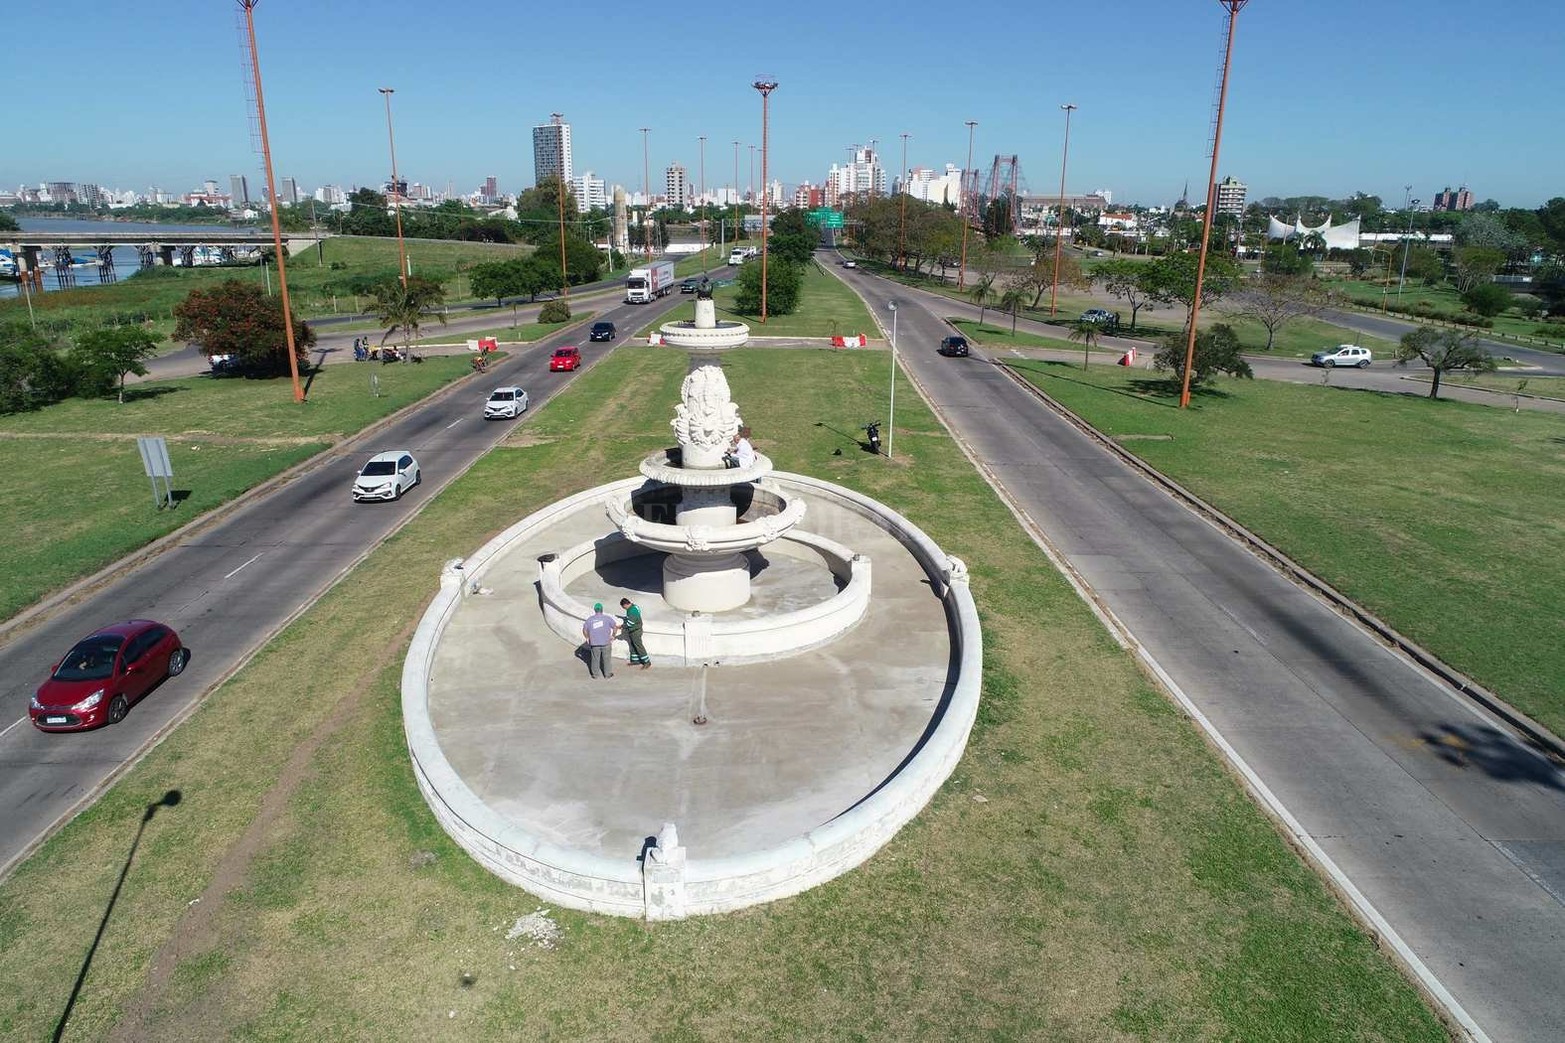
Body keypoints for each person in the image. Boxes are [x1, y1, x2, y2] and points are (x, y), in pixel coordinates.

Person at [581, 602, 619, 679]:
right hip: (606, 642)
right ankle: (607, 674)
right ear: (602, 610)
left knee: (595, 659)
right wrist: (613, 636)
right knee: (607, 659)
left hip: (594, 643)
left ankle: (595, 675)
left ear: (594, 610)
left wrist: (587, 638)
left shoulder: (590, 619)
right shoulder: (607, 618)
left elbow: (584, 630)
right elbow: (615, 627)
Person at [619, 597, 650, 669]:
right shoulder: (634, 607)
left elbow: (630, 623)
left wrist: (621, 626)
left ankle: (647, 662)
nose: (624, 608)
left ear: (625, 604)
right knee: (633, 645)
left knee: (639, 646)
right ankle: (635, 660)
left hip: (635, 631)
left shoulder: (632, 611)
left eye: (623, 607)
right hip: (635, 630)